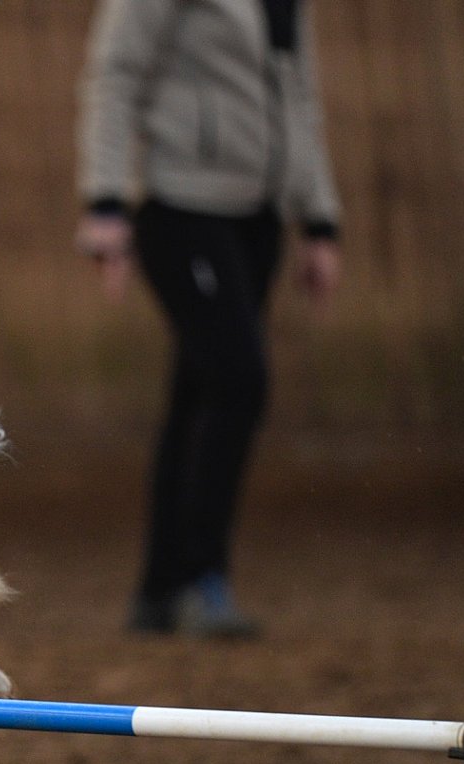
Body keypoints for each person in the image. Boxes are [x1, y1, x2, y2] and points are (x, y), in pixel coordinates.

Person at [75, 0, 342, 637]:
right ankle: (201, 578)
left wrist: (319, 219)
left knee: (198, 394)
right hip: (182, 209)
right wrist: (105, 201)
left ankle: (160, 590)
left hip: (260, 219)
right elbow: (115, 75)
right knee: (239, 379)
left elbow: (298, 96)